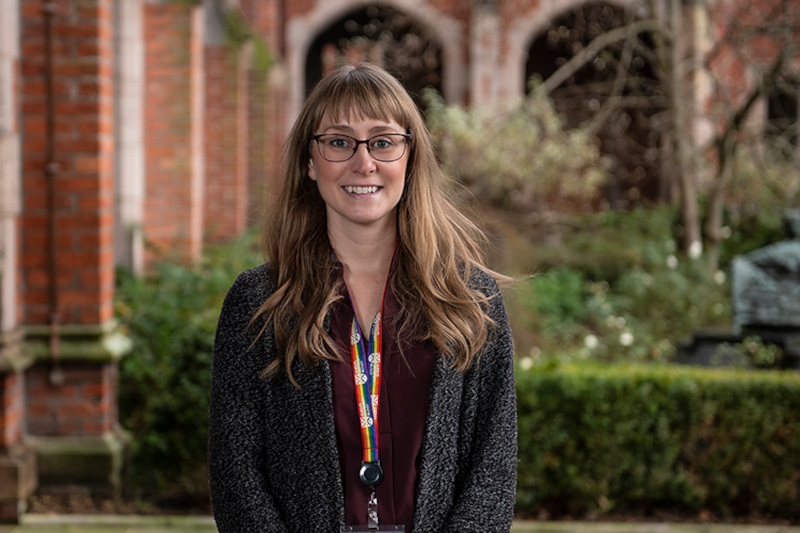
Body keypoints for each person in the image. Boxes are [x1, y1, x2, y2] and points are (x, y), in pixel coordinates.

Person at [208, 62, 517, 533]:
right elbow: (236, 474)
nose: (363, 162)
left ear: (410, 158)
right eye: (338, 142)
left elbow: (493, 466)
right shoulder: (259, 302)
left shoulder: (469, 297)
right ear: (310, 162)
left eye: (383, 141)